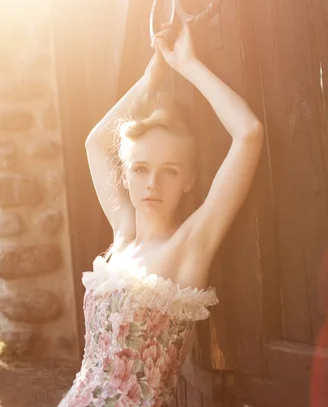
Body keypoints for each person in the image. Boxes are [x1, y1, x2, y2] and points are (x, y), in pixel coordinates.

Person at [58, 22, 264, 406]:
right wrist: (149, 79)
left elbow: (248, 132)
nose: (152, 183)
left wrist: (187, 64)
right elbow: (95, 144)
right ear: (127, 174)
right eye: (140, 169)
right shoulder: (123, 236)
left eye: (169, 171)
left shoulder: (187, 246)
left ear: (189, 179)